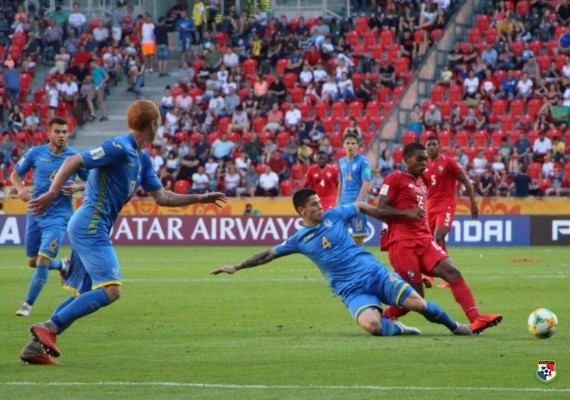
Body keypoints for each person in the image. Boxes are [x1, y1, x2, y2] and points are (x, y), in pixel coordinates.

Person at [20, 100, 227, 365]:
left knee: (84, 295)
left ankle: (35, 348)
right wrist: (51, 193)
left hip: (95, 225)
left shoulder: (141, 158)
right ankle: (48, 327)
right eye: (159, 122)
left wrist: (200, 197)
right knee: (112, 290)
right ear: (153, 124)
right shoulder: (118, 147)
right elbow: (74, 160)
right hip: (90, 224)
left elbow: (163, 197)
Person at [211, 188, 472, 338]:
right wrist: (237, 266)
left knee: (420, 304)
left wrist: (383, 214)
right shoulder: (299, 239)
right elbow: (268, 254)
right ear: (302, 211)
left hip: (374, 273)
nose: (320, 206)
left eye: (319, 202)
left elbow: (358, 205)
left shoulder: (334, 215)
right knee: (372, 326)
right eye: (314, 205)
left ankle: (456, 327)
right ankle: (396, 328)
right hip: (351, 290)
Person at [371, 142, 502, 335]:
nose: (424, 162)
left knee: (453, 272)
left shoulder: (420, 183)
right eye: (419, 158)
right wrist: (408, 213)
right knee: (415, 297)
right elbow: (380, 210)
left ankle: (476, 319)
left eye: (425, 159)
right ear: (406, 160)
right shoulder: (394, 178)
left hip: (424, 240)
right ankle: (383, 319)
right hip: (402, 244)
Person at [11, 117, 88, 318]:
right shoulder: (35, 153)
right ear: (48, 133)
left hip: (59, 217)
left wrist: (78, 187)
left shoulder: (74, 157)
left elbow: (94, 181)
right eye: (58, 132)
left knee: (43, 260)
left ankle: (27, 305)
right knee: (33, 262)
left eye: (65, 132)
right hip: (35, 214)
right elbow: (15, 175)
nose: (62, 135)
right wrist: (20, 190)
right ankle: (63, 265)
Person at [422, 136, 479, 288]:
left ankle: (430, 275)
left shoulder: (449, 163)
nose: (432, 147)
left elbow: (466, 180)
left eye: (434, 144)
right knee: (434, 240)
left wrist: (473, 203)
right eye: (429, 145)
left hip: (446, 206)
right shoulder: (423, 165)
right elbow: (422, 187)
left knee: (438, 236)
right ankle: (449, 273)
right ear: (425, 148)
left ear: (439, 146)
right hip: (430, 207)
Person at [336, 132, 370, 247]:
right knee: (339, 234)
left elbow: (366, 183)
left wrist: (359, 202)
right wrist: (337, 202)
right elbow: (340, 182)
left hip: (357, 202)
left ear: (357, 145)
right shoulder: (341, 162)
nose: (350, 145)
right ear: (343, 145)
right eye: (348, 143)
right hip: (344, 203)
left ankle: (362, 264)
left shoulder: (363, 161)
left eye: (353, 143)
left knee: (358, 237)